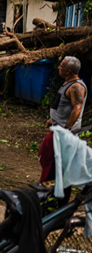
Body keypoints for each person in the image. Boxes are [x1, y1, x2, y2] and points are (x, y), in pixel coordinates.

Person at [38, 56, 87, 184]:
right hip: (59, 127)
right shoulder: (67, 83)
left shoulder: (77, 87)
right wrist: (52, 119)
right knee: (52, 156)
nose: (59, 67)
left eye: (62, 66)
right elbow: (62, 105)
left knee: (50, 154)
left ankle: (52, 184)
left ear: (68, 71)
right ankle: (49, 183)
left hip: (65, 130)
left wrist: (67, 129)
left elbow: (77, 108)